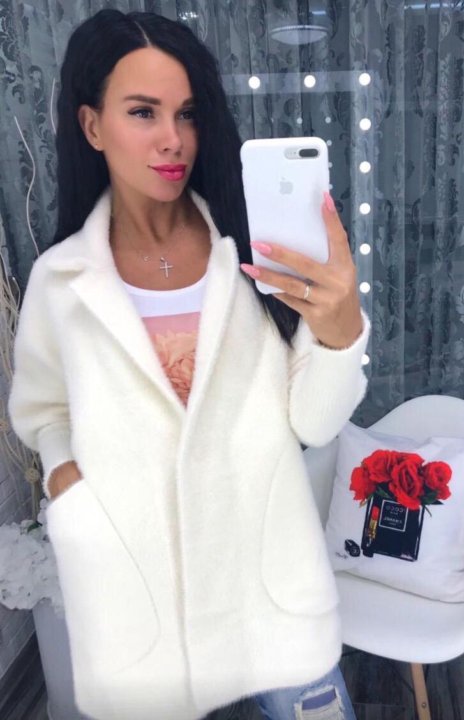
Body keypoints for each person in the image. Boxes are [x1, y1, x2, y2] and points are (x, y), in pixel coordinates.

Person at [8, 9, 371, 720]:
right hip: (144, 594)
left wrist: (341, 331)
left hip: (268, 588)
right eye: (143, 112)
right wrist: (65, 478)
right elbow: (44, 407)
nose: (173, 138)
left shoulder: (254, 255)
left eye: (188, 113)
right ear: (92, 125)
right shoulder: (61, 280)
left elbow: (313, 424)